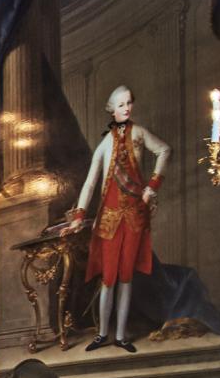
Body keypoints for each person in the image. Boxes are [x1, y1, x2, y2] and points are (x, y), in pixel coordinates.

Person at [67, 85, 171, 353]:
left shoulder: (139, 134)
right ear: (112, 110)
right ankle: (103, 334)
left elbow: (164, 151)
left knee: (126, 278)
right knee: (108, 279)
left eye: (129, 103)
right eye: (121, 104)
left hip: (134, 218)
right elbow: (90, 183)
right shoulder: (105, 144)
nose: (127, 108)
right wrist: (79, 215)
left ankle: (122, 336)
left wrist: (152, 186)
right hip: (109, 221)